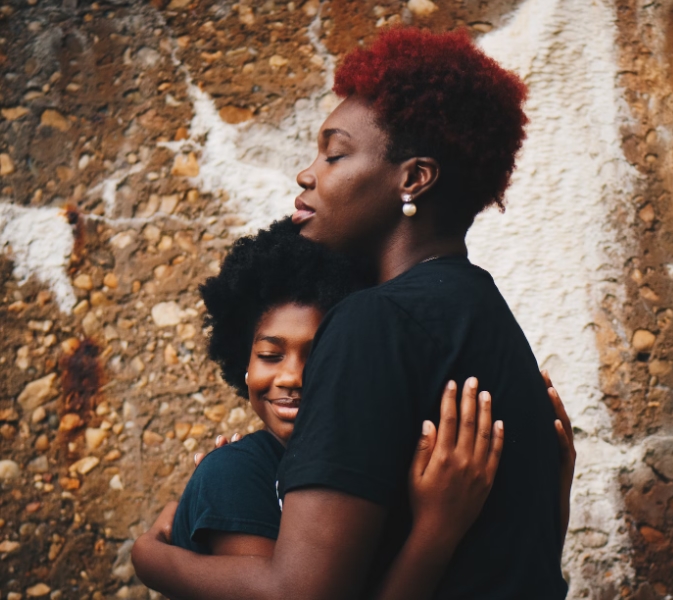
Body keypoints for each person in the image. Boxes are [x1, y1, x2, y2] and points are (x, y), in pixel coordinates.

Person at [133, 27, 574, 598]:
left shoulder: (373, 322)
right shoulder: (484, 314)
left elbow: (303, 592)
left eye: (334, 153)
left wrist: (150, 559)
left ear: (413, 178)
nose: (308, 174)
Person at [170, 218, 505, 600]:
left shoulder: (375, 468)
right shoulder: (235, 472)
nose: (292, 376)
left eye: (320, 355)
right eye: (270, 355)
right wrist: (435, 531)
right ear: (243, 364)